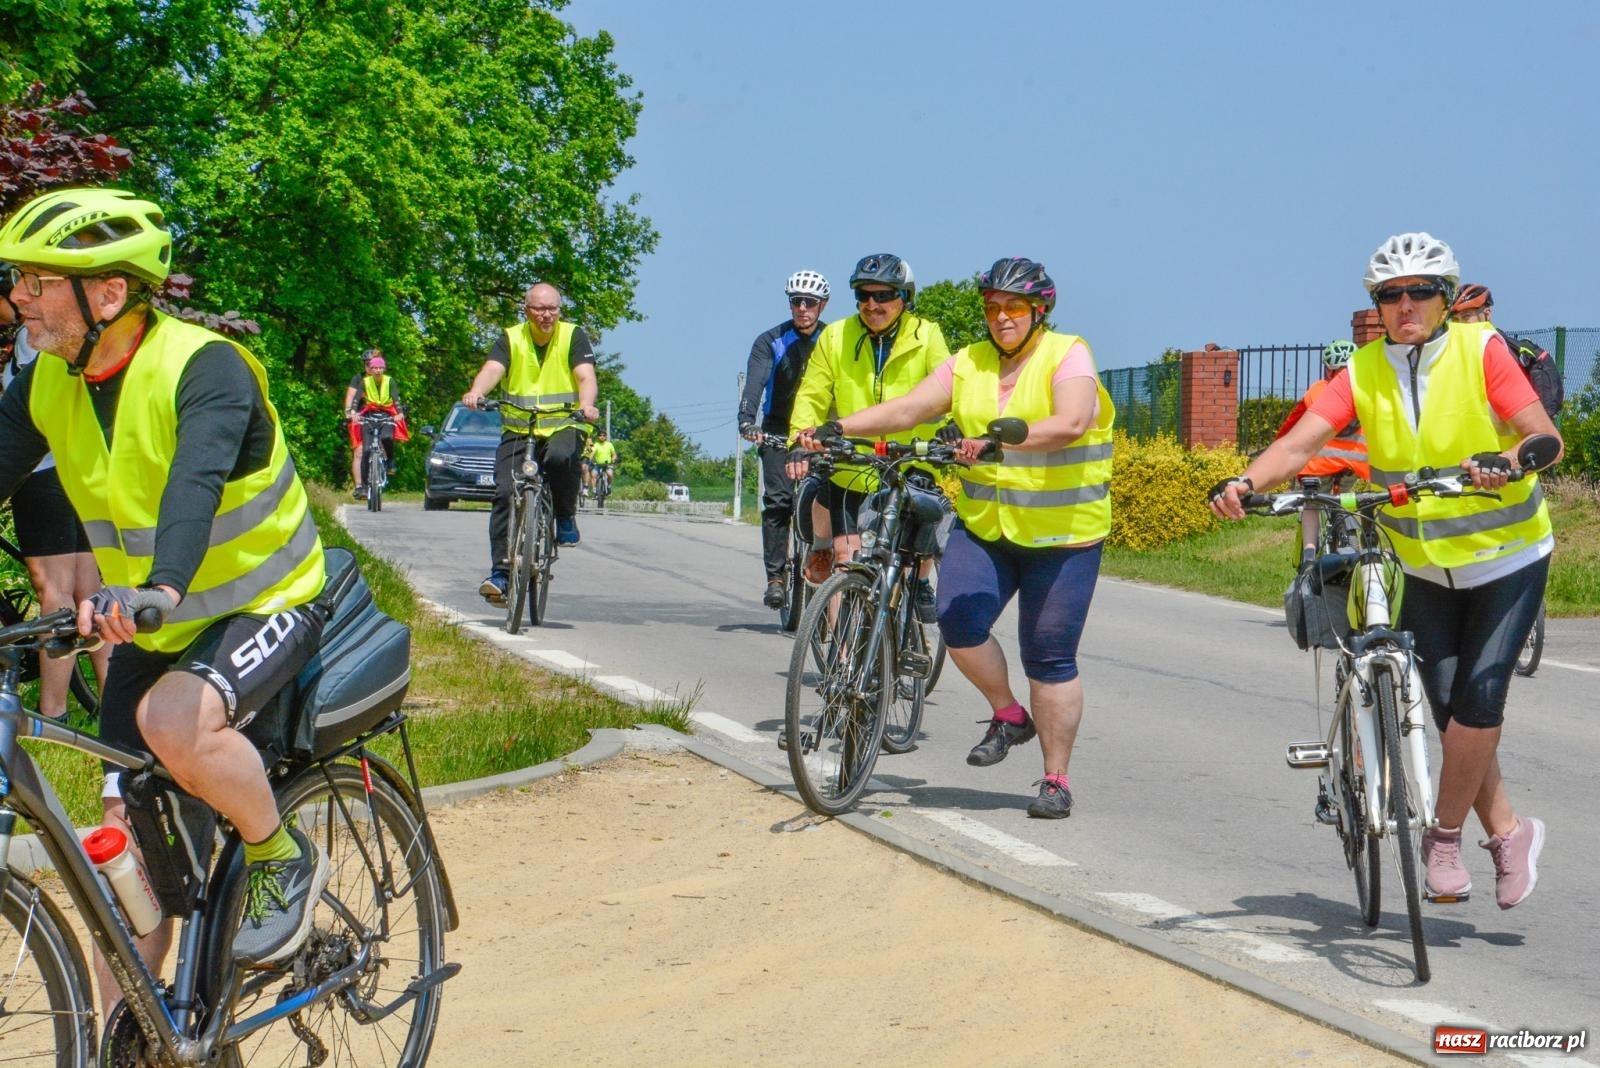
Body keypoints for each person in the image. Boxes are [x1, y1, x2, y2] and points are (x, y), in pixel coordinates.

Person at [0, 187, 331, 1016]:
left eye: (38, 282)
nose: (18, 298)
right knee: (128, 866)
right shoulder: (45, 379)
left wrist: (157, 589)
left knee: (170, 722)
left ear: (106, 294)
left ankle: (278, 854)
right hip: (157, 626)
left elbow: (195, 485)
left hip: (266, 601)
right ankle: (129, 1035)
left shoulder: (206, 367)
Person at [1209, 232, 1559, 910]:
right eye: (1390, 295)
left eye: (1420, 291)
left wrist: (1511, 461)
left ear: (1446, 298)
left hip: (1507, 555)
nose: (1405, 305)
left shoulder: (1481, 351)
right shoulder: (1364, 370)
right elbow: (1301, 441)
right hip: (1424, 565)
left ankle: (1446, 837)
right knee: (1452, 710)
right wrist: (1245, 482)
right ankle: (1512, 833)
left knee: (1481, 701)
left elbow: (1539, 432)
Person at [799, 257, 1114, 819]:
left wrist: (997, 444)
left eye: (1014, 308)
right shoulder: (969, 361)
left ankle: (1055, 779)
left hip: (1063, 538)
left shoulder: (1068, 354)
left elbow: (1072, 421)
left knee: (1048, 657)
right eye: (992, 308)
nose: (1001, 318)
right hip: (987, 526)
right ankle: (1008, 714)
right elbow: (909, 407)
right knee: (958, 623)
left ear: (1039, 312)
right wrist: (836, 428)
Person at [787, 253, 948, 619]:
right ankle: (842, 668)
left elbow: (947, 390)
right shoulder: (836, 336)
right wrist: (801, 439)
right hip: (853, 461)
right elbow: (812, 393)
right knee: (847, 560)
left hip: (910, 458)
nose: (872, 305)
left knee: (910, 550)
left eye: (883, 296)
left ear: (904, 298)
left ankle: (920, 580)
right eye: (863, 295)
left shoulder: (928, 336)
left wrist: (951, 426)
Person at [0, 264, 111, 716]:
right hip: (79, 471)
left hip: (43, 474)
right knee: (93, 593)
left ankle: (51, 713)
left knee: (54, 593)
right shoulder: (59, 334)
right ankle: (118, 708)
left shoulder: (36, 337)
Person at [463, 281, 599, 603]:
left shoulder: (573, 335)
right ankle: (500, 573)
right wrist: (477, 392)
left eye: (552, 308)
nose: (546, 315)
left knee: (559, 458)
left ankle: (564, 515)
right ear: (527, 311)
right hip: (519, 426)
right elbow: (493, 369)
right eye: (539, 309)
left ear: (559, 310)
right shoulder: (511, 338)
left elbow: (585, 376)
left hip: (563, 423)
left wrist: (587, 404)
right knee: (504, 493)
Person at [738, 269, 831, 608]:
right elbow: (755, 383)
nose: (803, 308)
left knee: (827, 498)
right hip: (777, 431)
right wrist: (747, 421)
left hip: (817, 435)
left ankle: (825, 561)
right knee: (778, 502)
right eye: (796, 302)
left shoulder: (833, 339)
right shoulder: (770, 340)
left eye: (810, 302)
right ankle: (775, 578)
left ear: (823, 305)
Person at [1273, 339, 1369, 561]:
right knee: (1348, 499)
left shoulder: (1319, 391)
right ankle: (1358, 547)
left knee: (1312, 503)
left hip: (1318, 465)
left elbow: (1291, 424)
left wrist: (1278, 448)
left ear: (1328, 368)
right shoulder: (1365, 392)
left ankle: (1308, 554)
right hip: (1353, 463)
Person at [1451, 283, 1565, 419]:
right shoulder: (1459, 347)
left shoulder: (1495, 349)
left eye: (1466, 316)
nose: (1460, 325)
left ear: (1487, 314)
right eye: (1456, 320)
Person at [343, 348, 409, 499]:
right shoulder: (359, 379)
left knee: (385, 441)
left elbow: (394, 397)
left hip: (383, 414)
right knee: (360, 451)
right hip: (361, 416)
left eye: (372, 363)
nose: (370, 367)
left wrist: (399, 413)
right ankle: (360, 486)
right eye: (367, 364)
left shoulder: (386, 380)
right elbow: (352, 397)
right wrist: (349, 412)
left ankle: (384, 467)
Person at [589, 429, 617, 501]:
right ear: (598, 437)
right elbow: (592, 453)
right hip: (598, 464)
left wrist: (613, 460)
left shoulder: (609, 444)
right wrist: (589, 460)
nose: (602, 437)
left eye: (604, 435)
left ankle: (609, 487)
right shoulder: (596, 445)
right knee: (593, 475)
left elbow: (614, 454)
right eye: (600, 435)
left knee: (610, 474)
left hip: (608, 464)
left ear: (606, 437)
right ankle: (594, 492)